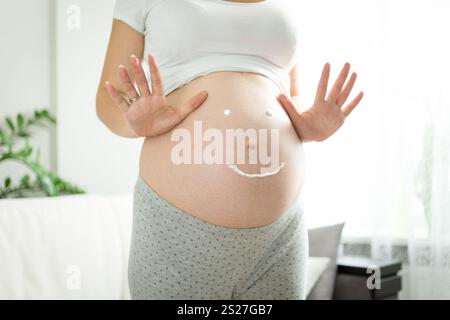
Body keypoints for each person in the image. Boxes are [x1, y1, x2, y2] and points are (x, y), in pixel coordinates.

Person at [96, 0, 364, 300]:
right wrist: (136, 122)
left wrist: (311, 125)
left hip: (280, 235)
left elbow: (291, 96)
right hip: (177, 230)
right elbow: (109, 105)